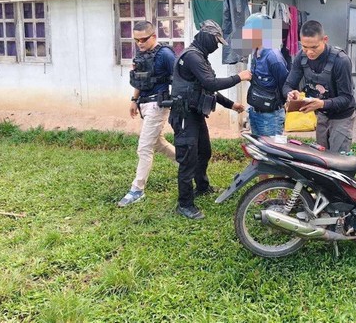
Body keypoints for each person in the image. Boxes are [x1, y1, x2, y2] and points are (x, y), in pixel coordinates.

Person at [170, 20, 252, 219]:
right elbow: (211, 83)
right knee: (188, 159)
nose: (217, 47)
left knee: (204, 151)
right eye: (216, 42)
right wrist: (239, 77)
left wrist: (231, 105)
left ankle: (202, 186)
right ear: (207, 37)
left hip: (195, 113)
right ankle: (185, 204)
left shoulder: (200, 56)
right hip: (184, 115)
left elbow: (206, 89)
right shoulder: (192, 56)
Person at [118, 21, 176, 208]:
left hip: (157, 105)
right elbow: (139, 80)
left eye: (143, 39)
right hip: (144, 104)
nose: (140, 43)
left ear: (154, 36)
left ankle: (137, 189)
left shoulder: (165, 54)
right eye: (136, 40)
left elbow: (179, 78)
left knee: (144, 147)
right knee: (157, 143)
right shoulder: (141, 54)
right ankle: (188, 164)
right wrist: (134, 100)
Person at [283, 20, 356, 153]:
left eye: (314, 47)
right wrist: (290, 93)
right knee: (321, 156)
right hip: (322, 114)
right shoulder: (301, 57)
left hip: (342, 115)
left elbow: (346, 98)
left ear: (325, 40)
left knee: (338, 159)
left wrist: (321, 103)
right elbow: (288, 85)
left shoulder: (341, 61)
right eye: (305, 47)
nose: (309, 52)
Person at [243, 14, 289, 138]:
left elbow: (285, 85)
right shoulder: (255, 52)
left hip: (271, 117)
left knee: (270, 150)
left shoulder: (274, 57)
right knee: (258, 149)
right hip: (255, 113)